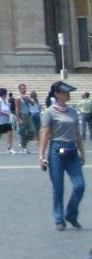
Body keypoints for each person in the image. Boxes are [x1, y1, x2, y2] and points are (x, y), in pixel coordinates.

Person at [40, 81, 85, 231]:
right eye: (65, 92)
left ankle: (71, 214)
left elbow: (77, 133)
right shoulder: (50, 112)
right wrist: (41, 155)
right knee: (58, 187)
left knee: (79, 186)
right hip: (57, 151)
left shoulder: (72, 111)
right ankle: (59, 219)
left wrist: (82, 152)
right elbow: (45, 134)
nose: (68, 94)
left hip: (72, 150)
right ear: (57, 94)